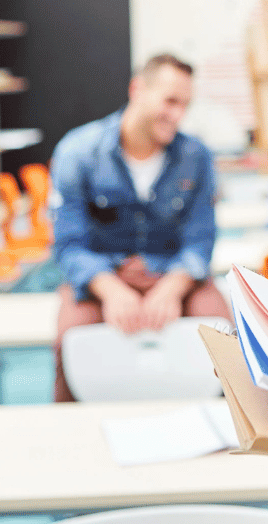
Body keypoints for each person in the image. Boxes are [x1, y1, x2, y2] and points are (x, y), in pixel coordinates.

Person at [49, 53, 231, 403]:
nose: (177, 116)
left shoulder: (197, 157)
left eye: (185, 106)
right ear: (137, 90)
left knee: (225, 339)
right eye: (170, 102)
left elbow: (200, 240)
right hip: (104, 278)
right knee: (69, 341)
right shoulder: (78, 153)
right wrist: (112, 290)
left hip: (175, 274)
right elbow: (69, 245)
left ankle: (229, 434)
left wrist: (172, 288)